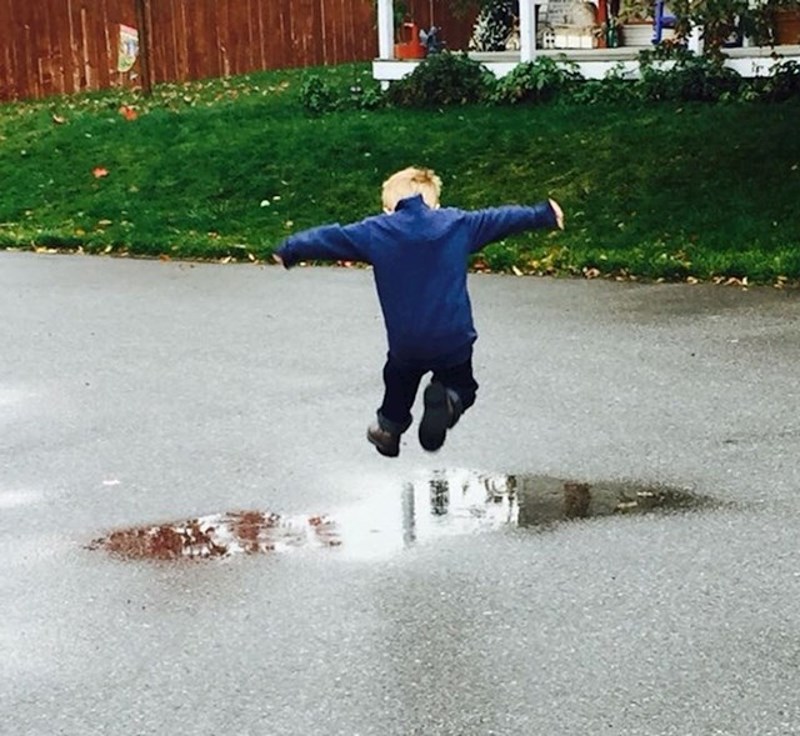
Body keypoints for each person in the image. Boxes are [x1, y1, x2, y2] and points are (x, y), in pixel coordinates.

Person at [273, 166, 564, 458]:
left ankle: (388, 430)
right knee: (463, 386)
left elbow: (330, 238)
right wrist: (542, 213)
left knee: (398, 380)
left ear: (389, 209)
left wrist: (291, 248)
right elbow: (502, 219)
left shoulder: (376, 231)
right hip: (453, 338)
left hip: (407, 344)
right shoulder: (458, 223)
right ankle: (450, 401)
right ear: (434, 203)